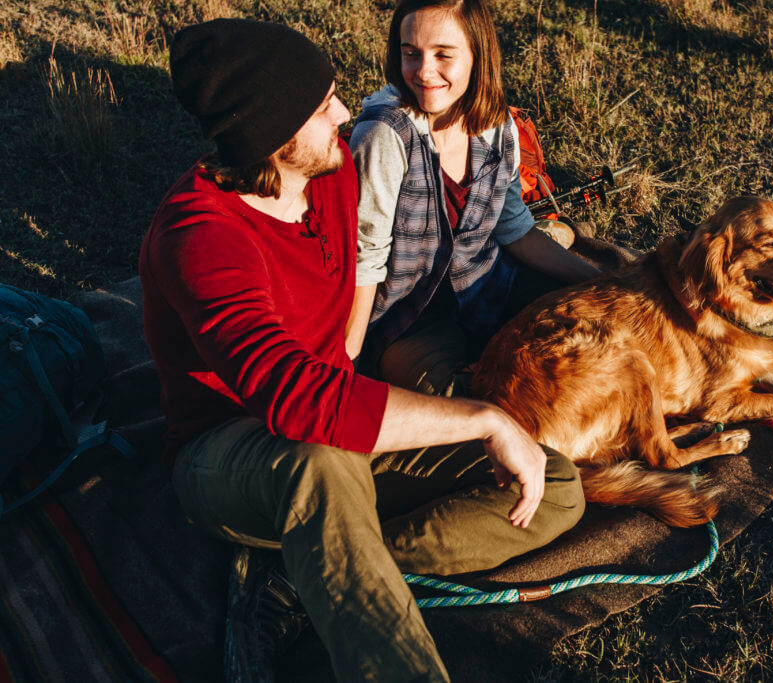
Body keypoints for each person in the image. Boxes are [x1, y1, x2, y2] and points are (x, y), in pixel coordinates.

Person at [139, 18, 584, 682]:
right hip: (232, 447)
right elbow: (295, 399)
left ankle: (305, 573)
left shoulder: (334, 170)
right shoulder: (199, 237)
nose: (346, 116)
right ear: (274, 134)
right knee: (318, 460)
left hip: (342, 433)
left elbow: (441, 223)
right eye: (324, 108)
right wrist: (486, 418)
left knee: (555, 486)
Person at [348, 0, 601, 394]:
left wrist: (602, 281)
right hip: (410, 323)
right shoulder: (385, 134)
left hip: (489, 291)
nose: (424, 71)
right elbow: (365, 261)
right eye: (411, 53)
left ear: (477, 56)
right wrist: (348, 365)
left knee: (592, 334)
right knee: (471, 402)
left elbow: (514, 229)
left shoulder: (496, 124)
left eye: (443, 54)